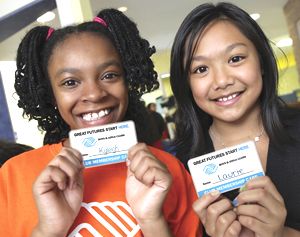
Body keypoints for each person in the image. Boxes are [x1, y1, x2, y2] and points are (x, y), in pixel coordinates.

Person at [0, 9, 201, 237]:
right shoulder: (12, 177)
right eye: (70, 82)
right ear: (51, 95)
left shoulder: (169, 172)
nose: (94, 94)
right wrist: (49, 230)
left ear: (127, 81)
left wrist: (152, 221)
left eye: (109, 75)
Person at [170, 2, 300, 237]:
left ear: (261, 61)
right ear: (186, 84)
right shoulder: (182, 165)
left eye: (235, 58)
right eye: (200, 69)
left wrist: (283, 234)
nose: (221, 81)